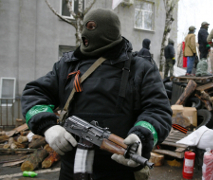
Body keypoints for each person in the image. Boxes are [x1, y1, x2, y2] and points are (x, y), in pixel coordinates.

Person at [21, 9, 172, 180]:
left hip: (122, 170)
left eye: (93, 27)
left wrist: (141, 136)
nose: (87, 34)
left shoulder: (141, 68)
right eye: (86, 27)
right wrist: (48, 126)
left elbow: (158, 110)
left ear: (110, 33)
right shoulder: (67, 65)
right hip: (71, 170)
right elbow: (33, 93)